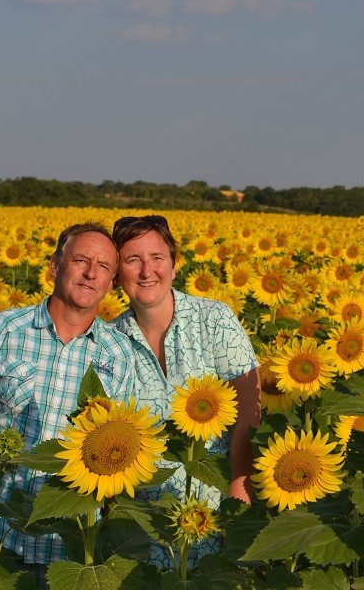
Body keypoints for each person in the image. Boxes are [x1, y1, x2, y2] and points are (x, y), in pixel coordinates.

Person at [0, 222, 136, 576]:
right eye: (80, 261)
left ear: (112, 283)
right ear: (55, 265)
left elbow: (123, 448)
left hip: (72, 545)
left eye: (103, 268)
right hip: (0, 536)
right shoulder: (2, 331)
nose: (89, 274)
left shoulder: (120, 354)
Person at [111, 214, 261, 567]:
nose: (147, 271)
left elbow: (249, 411)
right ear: (118, 274)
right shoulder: (110, 340)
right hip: (142, 524)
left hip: (214, 514)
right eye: (133, 261)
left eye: (157, 258)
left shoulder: (214, 320)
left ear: (174, 266)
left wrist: (237, 503)